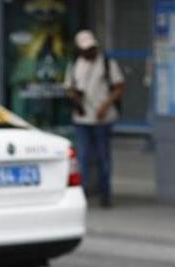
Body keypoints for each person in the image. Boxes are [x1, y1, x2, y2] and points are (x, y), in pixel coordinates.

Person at [64, 29, 124, 208]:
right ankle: (82, 195)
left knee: (103, 157)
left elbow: (119, 86)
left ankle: (105, 195)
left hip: (102, 119)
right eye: (85, 49)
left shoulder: (106, 63)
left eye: (91, 48)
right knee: (82, 157)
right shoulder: (74, 64)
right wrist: (75, 98)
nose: (89, 52)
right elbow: (69, 87)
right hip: (82, 118)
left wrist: (106, 105)